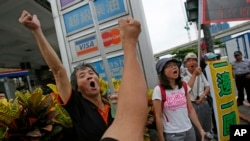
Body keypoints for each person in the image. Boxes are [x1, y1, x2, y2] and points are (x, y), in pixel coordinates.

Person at [19, 10, 148, 141]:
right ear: (78, 88)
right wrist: (36, 30)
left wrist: (122, 108)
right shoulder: (77, 106)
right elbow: (58, 71)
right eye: (82, 75)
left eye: (91, 73)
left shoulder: (112, 104)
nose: (89, 76)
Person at [152, 57, 206, 141]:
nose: (174, 67)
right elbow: (158, 117)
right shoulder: (158, 90)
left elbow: (190, 109)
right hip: (173, 134)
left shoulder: (183, 86)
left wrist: (200, 129)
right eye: (169, 66)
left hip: (189, 131)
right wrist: (162, 138)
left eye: (175, 65)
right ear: (162, 72)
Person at [182, 52, 212, 141]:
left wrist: (203, 96)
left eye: (194, 60)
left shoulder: (200, 73)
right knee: (197, 130)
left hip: (204, 103)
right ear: (185, 64)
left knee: (207, 127)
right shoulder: (182, 76)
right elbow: (187, 90)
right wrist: (194, 75)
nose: (192, 63)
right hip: (192, 106)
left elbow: (207, 86)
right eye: (189, 61)